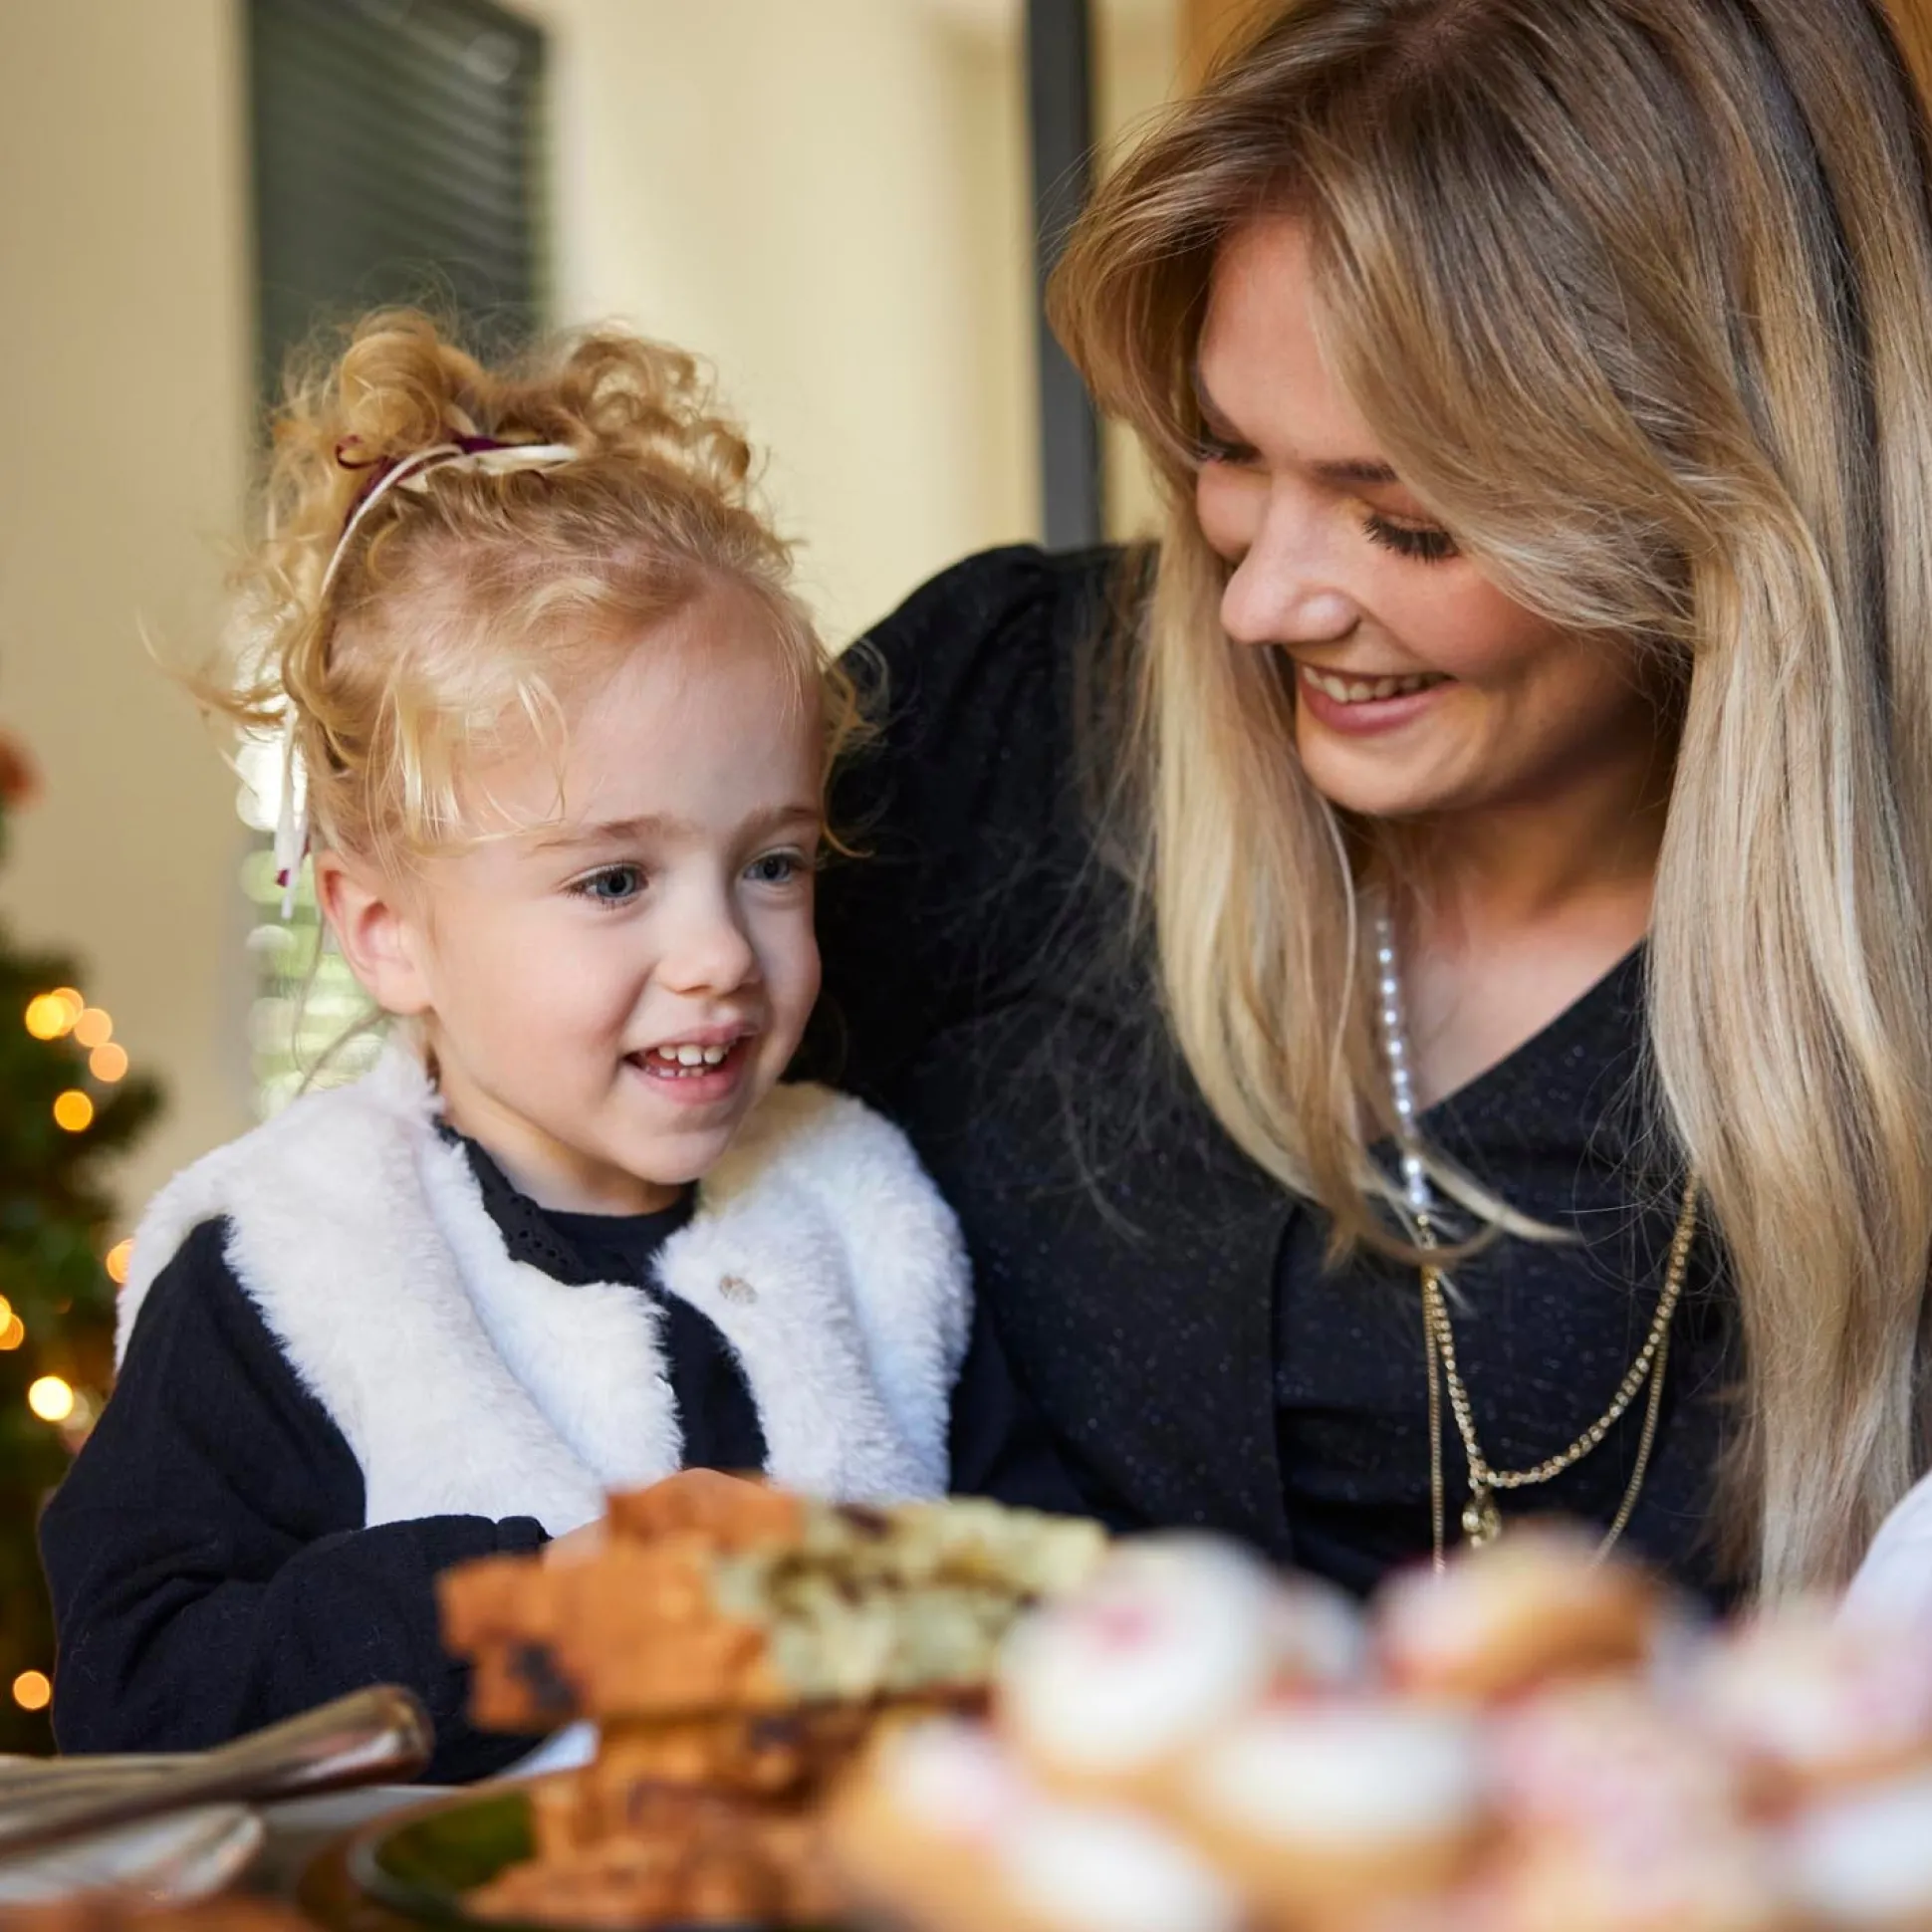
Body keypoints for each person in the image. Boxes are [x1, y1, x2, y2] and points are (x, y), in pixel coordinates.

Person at [803, 0, 1932, 1608]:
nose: (1259, 603)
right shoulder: (995, 714)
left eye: (1402, 521)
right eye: (1229, 451)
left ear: (1732, 509)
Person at [41, 314, 1074, 1782]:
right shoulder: (292, 1265)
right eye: (614, 880)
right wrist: (558, 1611)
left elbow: (1060, 1610)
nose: (721, 953)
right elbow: (138, 1692)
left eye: (771, 863)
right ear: (386, 928)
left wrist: (889, 1603)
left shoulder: (866, 1211)